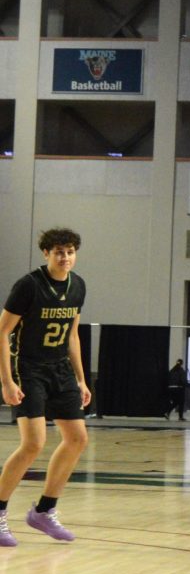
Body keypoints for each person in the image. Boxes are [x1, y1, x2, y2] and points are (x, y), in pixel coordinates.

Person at [0, 228, 90, 547]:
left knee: (78, 438)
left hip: (60, 369)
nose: (64, 257)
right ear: (46, 254)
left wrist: (80, 378)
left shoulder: (78, 285)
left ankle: (43, 511)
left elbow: (73, 335)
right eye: (58, 252)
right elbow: (2, 332)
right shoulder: (29, 285)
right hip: (29, 369)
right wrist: (7, 380)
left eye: (69, 251)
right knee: (33, 444)